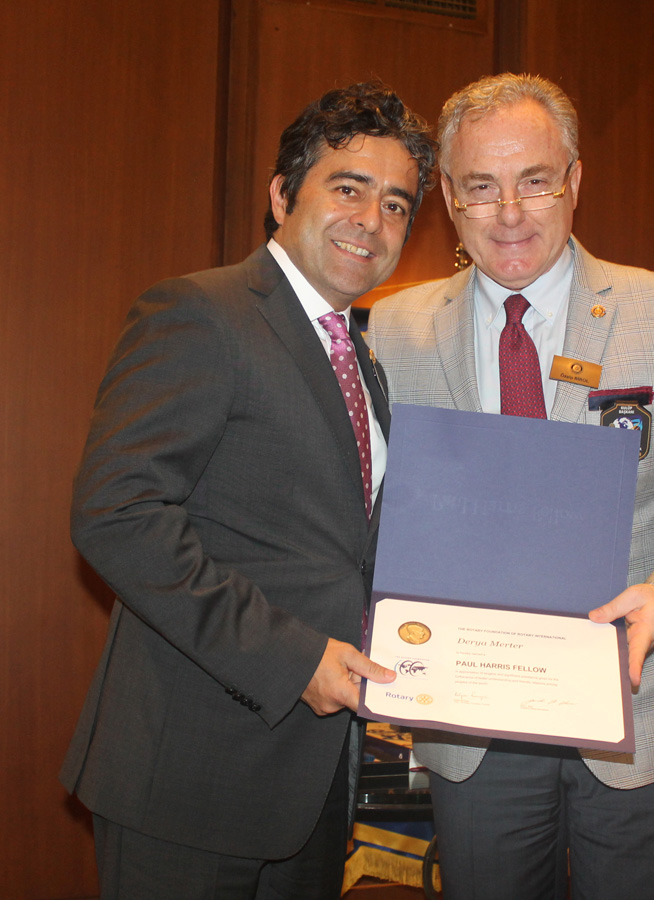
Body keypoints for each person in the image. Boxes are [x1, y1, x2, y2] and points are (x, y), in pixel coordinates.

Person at [366, 73, 654, 900]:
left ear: (575, 181)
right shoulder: (394, 328)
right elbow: (373, 497)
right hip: (472, 717)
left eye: (535, 181)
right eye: (481, 187)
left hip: (636, 707)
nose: (509, 212)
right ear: (449, 197)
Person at [60, 82, 437, 900]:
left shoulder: (361, 359)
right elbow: (117, 514)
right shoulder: (200, 313)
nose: (371, 221)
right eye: (348, 188)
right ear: (281, 196)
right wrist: (294, 658)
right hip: (190, 776)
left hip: (312, 781)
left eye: (396, 205)